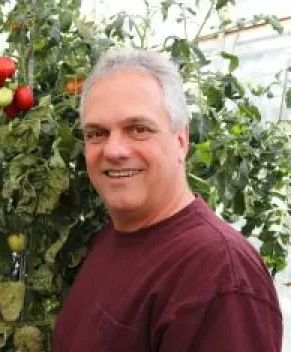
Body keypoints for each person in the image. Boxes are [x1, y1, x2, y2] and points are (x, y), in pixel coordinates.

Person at [52, 48, 282, 351]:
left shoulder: (218, 276)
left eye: (138, 129)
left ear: (181, 140)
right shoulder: (114, 236)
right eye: (97, 133)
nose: (114, 150)